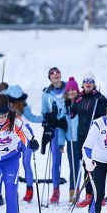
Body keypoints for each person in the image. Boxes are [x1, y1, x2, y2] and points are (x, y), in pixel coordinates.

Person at [69, 74, 107, 207]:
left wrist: (101, 103)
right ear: (83, 84)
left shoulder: (99, 98)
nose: (88, 83)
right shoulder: (79, 98)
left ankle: (99, 195)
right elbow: (72, 114)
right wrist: (70, 103)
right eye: (85, 81)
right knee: (86, 164)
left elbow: (105, 117)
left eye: (90, 81)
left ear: (94, 83)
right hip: (81, 135)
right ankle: (88, 194)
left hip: (95, 136)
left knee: (97, 165)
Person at [6, 85, 43, 202]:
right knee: (13, 164)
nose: (15, 103)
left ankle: (29, 189)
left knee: (26, 163)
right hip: (13, 137)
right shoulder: (6, 107)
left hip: (26, 135)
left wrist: (46, 117)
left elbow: (32, 118)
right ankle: (13, 189)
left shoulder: (24, 106)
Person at [41, 67, 67, 204]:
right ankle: (56, 190)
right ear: (49, 78)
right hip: (57, 129)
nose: (55, 74)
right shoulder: (46, 93)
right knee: (56, 160)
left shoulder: (69, 88)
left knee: (76, 159)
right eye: (52, 73)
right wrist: (47, 122)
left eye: (57, 72)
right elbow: (44, 112)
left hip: (70, 127)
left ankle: (74, 189)